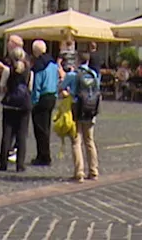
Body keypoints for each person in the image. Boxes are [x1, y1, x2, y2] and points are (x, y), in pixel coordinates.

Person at [62, 51, 100, 182]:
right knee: (89, 141)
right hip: (91, 110)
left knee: (76, 141)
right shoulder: (93, 74)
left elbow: (61, 87)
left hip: (77, 111)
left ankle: (79, 173)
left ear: (78, 61)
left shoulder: (73, 75)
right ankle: (94, 171)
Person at [0, 45, 32, 172]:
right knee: (22, 135)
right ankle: (20, 164)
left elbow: (2, 86)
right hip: (24, 105)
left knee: (7, 134)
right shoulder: (29, 71)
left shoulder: (8, 70)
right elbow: (30, 87)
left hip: (10, 104)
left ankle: (3, 163)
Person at [29, 39, 59, 166]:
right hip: (52, 96)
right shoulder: (53, 63)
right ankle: (44, 154)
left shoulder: (40, 65)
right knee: (46, 127)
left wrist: (34, 100)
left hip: (42, 98)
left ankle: (43, 156)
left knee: (40, 129)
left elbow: (37, 84)